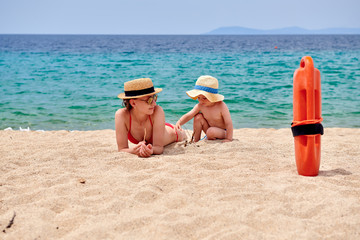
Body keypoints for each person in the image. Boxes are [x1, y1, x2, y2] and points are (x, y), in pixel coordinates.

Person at [115, 78, 184, 157]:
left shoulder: (157, 111)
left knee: (182, 135)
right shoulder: (122, 115)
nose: (154, 104)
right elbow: (121, 149)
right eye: (149, 100)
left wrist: (151, 150)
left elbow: (159, 148)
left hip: (174, 133)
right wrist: (134, 150)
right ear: (133, 103)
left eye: (154, 98)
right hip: (158, 127)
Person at [175, 75, 233, 142]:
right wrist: (179, 122)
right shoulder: (200, 106)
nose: (201, 100)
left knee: (211, 131)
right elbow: (189, 115)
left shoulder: (221, 105)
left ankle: (223, 136)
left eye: (204, 98)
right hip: (209, 130)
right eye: (198, 98)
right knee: (198, 117)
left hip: (222, 132)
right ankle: (196, 140)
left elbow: (229, 123)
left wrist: (229, 138)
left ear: (213, 97)